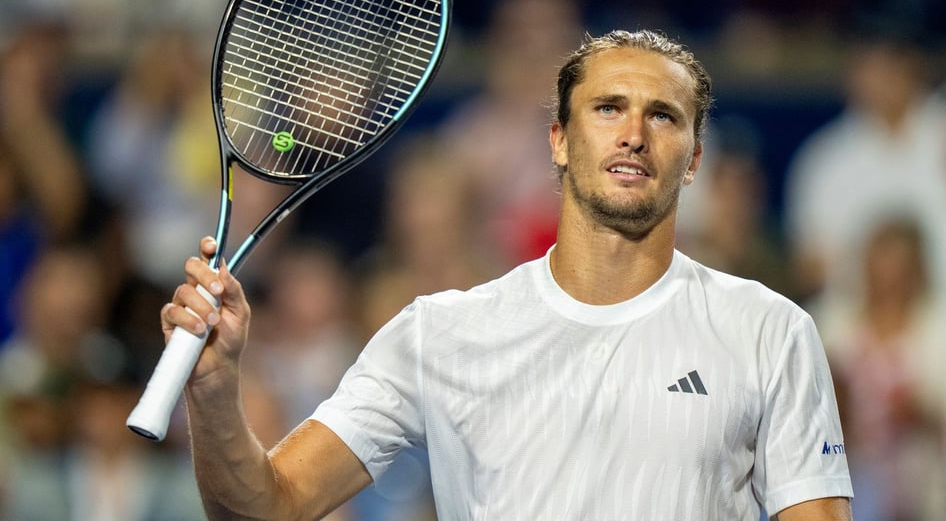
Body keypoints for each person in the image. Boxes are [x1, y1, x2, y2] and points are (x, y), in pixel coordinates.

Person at [160, 29, 853, 520]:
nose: (634, 133)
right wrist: (216, 394)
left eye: (663, 116)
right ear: (557, 139)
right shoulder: (438, 333)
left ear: (695, 159)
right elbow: (267, 509)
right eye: (608, 108)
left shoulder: (770, 331)